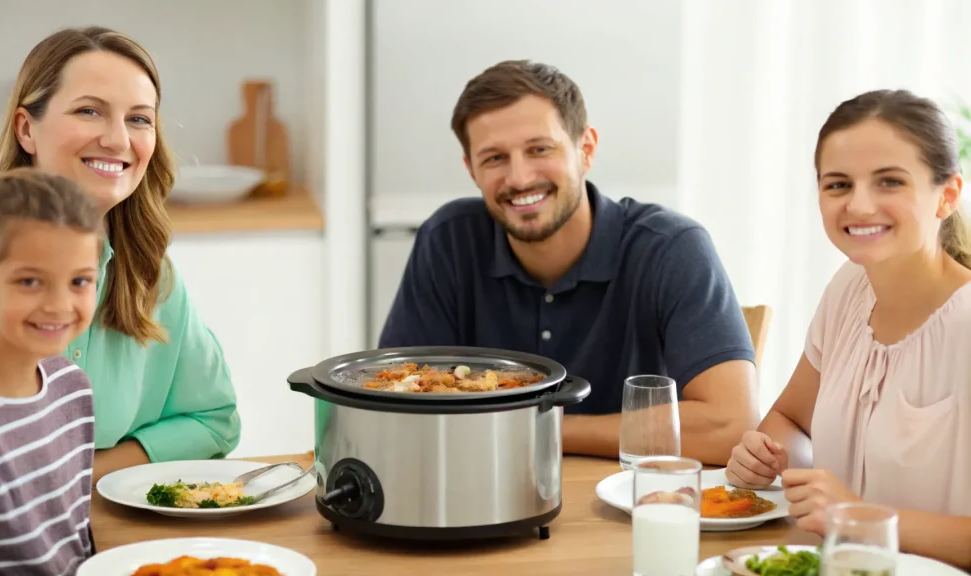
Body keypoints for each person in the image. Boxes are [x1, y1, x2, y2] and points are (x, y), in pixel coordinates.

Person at [378, 60, 759, 466]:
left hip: (634, 508)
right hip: (480, 500)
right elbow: (395, 406)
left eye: (539, 149)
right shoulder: (447, 241)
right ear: (471, 170)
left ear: (586, 149)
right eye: (494, 158)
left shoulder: (672, 248)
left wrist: (540, 430)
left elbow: (731, 426)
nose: (520, 178)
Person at [0, 27, 240, 482]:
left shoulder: (149, 273)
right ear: (27, 129)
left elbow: (213, 422)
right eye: (90, 111)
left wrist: (81, 478)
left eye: (139, 119)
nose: (118, 140)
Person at [725, 89, 971, 569]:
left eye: (889, 182)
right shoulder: (849, 289)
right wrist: (768, 456)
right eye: (838, 185)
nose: (859, 205)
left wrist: (854, 515)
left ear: (947, 195)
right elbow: (792, 421)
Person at [0, 169, 102, 574]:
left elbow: (75, 548)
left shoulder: (72, 388)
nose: (59, 305)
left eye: (80, 281)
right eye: (30, 281)